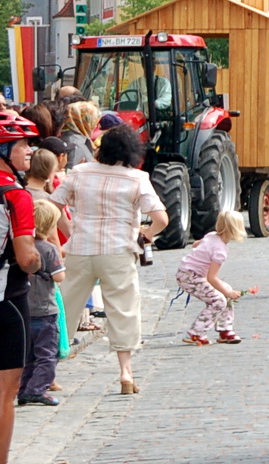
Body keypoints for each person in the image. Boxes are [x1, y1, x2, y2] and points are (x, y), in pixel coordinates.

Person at [51, 124, 168, 397]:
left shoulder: (79, 172)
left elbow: (53, 206)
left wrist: (71, 231)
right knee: (123, 309)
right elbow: (162, 219)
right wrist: (146, 235)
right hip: (117, 251)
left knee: (66, 307)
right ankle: (126, 372)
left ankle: (49, 371)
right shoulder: (137, 178)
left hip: (81, 249)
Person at [0, 111, 45, 464]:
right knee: (5, 391)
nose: (29, 150)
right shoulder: (16, 195)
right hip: (6, 300)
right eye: (21, 144)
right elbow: (26, 257)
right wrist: (40, 260)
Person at [176, 210, 252, 346]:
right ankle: (196, 332)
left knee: (225, 289)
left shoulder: (211, 235)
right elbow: (212, 278)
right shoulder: (220, 251)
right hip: (191, 277)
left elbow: (195, 244)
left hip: (186, 272)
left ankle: (225, 329)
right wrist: (229, 293)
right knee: (218, 300)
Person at [15, 200, 64, 407]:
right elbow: (59, 276)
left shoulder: (19, 248)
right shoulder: (49, 249)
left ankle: (23, 389)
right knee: (47, 355)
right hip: (45, 310)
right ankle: (37, 390)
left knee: (28, 356)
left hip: (24, 310)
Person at [60, 101, 98, 168]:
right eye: (94, 121)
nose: (96, 126)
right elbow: (71, 171)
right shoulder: (76, 143)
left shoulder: (75, 138)